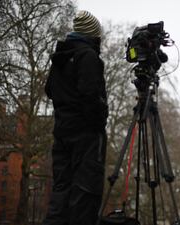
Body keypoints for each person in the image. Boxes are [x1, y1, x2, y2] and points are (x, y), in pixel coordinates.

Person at [43, 10, 108, 225]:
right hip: (85, 135)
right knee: (85, 192)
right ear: (92, 34)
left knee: (62, 189)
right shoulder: (87, 56)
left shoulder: (60, 57)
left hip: (62, 130)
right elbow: (91, 95)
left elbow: (49, 89)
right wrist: (98, 122)